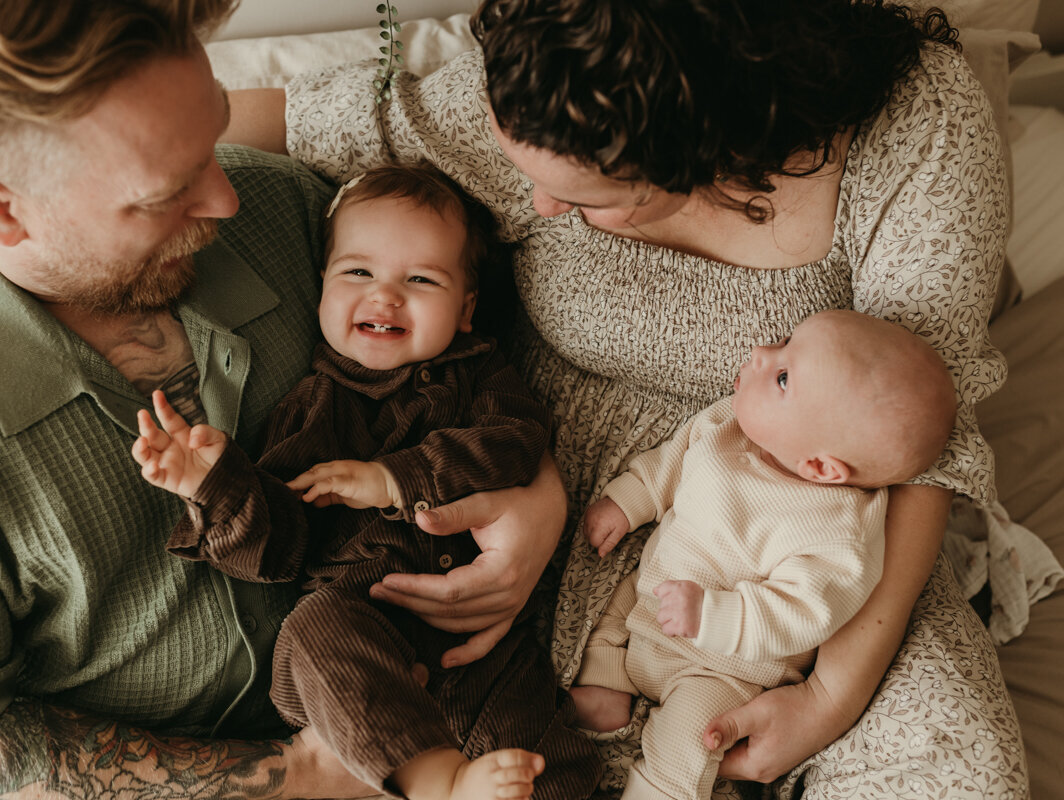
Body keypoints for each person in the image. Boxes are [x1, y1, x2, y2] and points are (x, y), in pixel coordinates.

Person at [226, 0, 1025, 795]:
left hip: (804, 558)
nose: (537, 206)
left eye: (590, 196)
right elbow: (305, 117)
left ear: (721, 143)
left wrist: (825, 699)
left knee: (958, 771)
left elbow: (928, 444)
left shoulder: (923, 126)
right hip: (531, 546)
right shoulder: (556, 65)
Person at [0, 2, 568, 797]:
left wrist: (536, 496)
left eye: (215, 139)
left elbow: (475, 361)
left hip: (466, 708)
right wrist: (308, 775)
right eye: (167, 191)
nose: (227, 198)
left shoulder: (287, 213)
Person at [131, 162, 600, 800]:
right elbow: (281, 548)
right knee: (311, 630)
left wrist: (394, 480)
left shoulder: (479, 374)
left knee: (548, 764)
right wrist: (215, 486)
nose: (384, 296)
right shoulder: (313, 406)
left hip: (481, 653)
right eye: (359, 272)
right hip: (359, 633)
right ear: (322, 289)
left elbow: (516, 445)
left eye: (421, 279)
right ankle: (435, 780)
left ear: (465, 310)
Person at [567, 309, 956, 799]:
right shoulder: (728, 423)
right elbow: (673, 457)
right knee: (606, 605)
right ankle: (606, 685)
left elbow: (802, 612)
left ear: (820, 466)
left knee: (694, 735)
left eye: (784, 376)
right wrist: (629, 501)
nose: (761, 353)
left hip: (720, 668)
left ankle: (658, 790)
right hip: (651, 595)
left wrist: (712, 614)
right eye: (785, 343)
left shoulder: (840, 534)